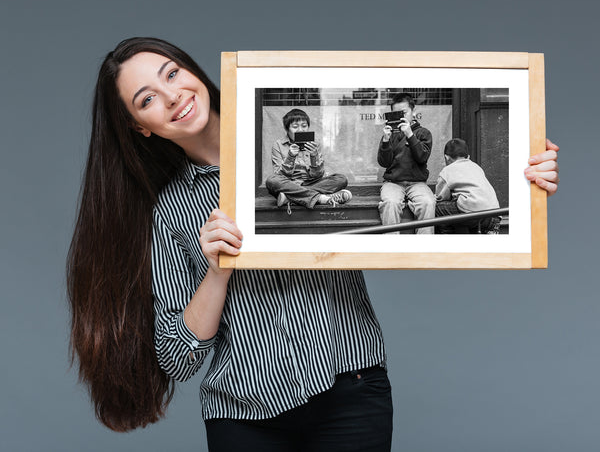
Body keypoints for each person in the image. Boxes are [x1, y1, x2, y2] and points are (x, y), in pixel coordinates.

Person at [66, 37, 560, 451]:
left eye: (172, 74)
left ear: (194, 73)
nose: (171, 96)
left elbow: (465, 187)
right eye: (146, 98)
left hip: (351, 392)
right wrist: (217, 270)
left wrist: (525, 176)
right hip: (241, 417)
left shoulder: (277, 161)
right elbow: (177, 358)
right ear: (139, 125)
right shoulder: (172, 209)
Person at [265, 108, 352, 210]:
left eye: (304, 126)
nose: (300, 130)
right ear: (287, 129)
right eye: (295, 127)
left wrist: (314, 156)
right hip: (289, 183)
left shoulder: (314, 144)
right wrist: (290, 157)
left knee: (341, 179)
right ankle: (321, 198)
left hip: (311, 183)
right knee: (272, 181)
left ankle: (290, 198)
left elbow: (317, 175)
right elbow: (279, 175)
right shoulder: (278, 145)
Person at [377, 92, 436, 234]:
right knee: (390, 203)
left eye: (404, 112)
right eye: (396, 114)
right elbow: (384, 163)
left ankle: (423, 252)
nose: (401, 117)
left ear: (413, 112)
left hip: (417, 182)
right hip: (393, 182)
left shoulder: (423, 133)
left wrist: (410, 134)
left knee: (428, 202)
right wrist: (385, 140)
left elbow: (422, 157)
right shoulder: (390, 134)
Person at [434, 138, 501, 234]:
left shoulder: (447, 170)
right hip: (494, 214)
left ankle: (449, 240)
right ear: (468, 157)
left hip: (473, 212)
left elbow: (441, 197)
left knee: (437, 208)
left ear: (446, 157)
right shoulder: (476, 167)